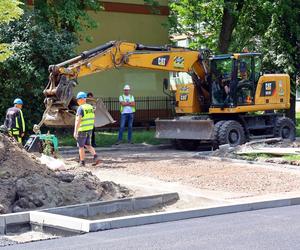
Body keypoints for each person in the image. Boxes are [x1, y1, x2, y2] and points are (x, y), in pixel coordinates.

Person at [74, 92, 100, 167]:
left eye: (78, 99)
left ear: (82, 99)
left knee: (81, 147)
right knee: (88, 145)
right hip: (89, 129)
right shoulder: (90, 107)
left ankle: (82, 162)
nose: (77, 101)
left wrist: (75, 131)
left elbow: (78, 120)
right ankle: (96, 156)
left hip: (82, 130)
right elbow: (93, 117)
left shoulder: (80, 108)